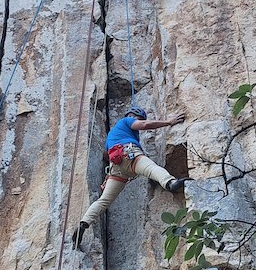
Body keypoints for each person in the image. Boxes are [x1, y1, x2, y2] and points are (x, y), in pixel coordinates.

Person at [72, 106, 190, 248]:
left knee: (104, 200)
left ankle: (83, 224)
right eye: (138, 118)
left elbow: (105, 153)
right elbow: (144, 125)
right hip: (130, 155)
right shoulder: (126, 121)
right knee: (152, 169)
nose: (137, 122)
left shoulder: (113, 133)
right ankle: (170, 183)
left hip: (116, 169)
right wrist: (168, 122)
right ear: (132, 116)